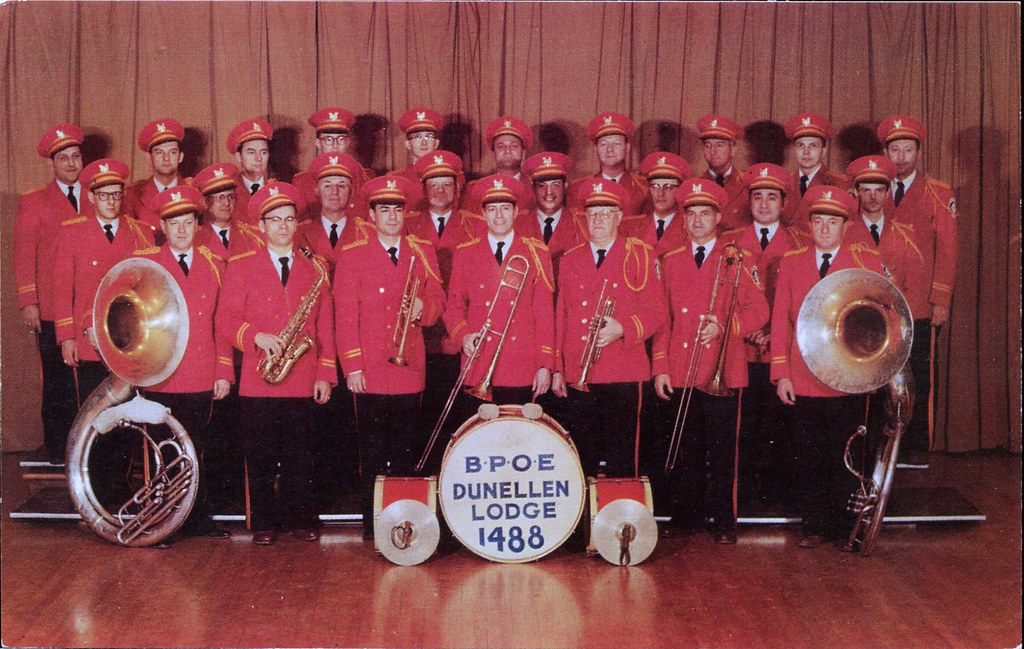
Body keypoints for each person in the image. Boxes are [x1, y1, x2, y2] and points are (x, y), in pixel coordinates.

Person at [216, 182, 336, 546]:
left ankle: (301, 518)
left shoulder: (315, 267)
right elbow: (225, 319)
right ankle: (264, 522)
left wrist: (326, 374)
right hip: (258, 377)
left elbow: (324, 324)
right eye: (275, 220)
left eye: (289, 219)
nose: (283, 226)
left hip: (302, 375)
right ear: (261, 226)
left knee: (302, 455)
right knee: (262, 455)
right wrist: (255, 336)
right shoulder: (241, 266)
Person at [652, 179, 769, 545]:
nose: (698, 220)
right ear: (683, 219)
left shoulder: (737, 257)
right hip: (682, 367)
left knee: (723, 451)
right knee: (688, 448)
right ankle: (686, 516)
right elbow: (662, 319)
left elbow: (760, 311)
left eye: (705, 213)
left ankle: (723, 520)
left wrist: (726, 327)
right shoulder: (669, 261)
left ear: (718, 217)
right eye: (691, 214)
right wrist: (660, 367)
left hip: (724, 369)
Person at [771, 184, 887, 549]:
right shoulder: (790, 262)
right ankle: (813, 526)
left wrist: (871, 368)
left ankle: (845, 526)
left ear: (845, 225)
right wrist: (780, 373)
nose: (823, 228)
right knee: (808, 453)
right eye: (818, 220)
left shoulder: (865, 261)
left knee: (847, 453)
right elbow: (779, 321)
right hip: (803, 376)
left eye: (831, 222)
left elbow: (881, 317)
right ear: (809, 225)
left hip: (848, 376)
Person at [333, 175, 446, 539]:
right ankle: (372, 522)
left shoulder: (422, 250)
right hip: (369, 368)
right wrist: (351, 365)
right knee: (370, 450)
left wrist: (423, 308)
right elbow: (345, 315)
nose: (392, 216)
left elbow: (438, 300)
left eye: (397, 209)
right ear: (372, 215)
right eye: (385, 210)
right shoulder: (352, 255)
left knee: (404, 449)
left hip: (408, 366)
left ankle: (402, 520)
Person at [52, 158, 155, 504]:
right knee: (93, 416)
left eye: (116, 195)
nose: (111, 201)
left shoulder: (141, 232)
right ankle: (93, 489)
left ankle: (119, 485)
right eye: (104, 195)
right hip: (88, 341)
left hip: (129, 342)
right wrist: (67, 336)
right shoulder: (71, 231)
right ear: (91, 197)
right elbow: (61, 287)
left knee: (126, 417)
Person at [134, 186, 233, 539]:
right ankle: (160, 521)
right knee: (162, 450)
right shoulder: (146, 264)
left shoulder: (214, 265)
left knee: (197, 448)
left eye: (187, 222)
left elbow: (222, 324)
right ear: (163, 225)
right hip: (160, 375)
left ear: (197, 224)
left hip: (201, 373)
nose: (181, 230)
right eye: (174, 223)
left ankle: (196, 517)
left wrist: (224, 370)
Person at [551, 179, 667, 478]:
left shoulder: (641, 253)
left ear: (619, 217)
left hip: (624, 368)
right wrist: (558, 369)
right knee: (581, 452)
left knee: (623, 453)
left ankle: (622, 518)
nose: (598, 220)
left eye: (606, 213)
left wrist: (623, 327)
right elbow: (561, 315)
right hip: (579, 369)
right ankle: (586, 521)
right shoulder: (570, 258)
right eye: (592, 214)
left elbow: (658, 312)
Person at [722, 163, 808, 505]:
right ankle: (742, 497)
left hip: (782, 348)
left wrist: (774, 332)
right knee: (745, 426)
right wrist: (749, 329)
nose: (764, 204)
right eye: (757, 197)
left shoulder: (801, 242)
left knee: (783, 426)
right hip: (740, 350)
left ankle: (780, 495)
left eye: (772, 197)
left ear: (783, 203)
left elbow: (804, 297)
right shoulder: (728, 243)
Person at [878, 115, 958, 469]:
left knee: (918, 377)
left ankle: (914, 451)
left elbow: (949, 248)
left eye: (907, 150)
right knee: (876, 375)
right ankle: (880, 448)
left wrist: (940, 299)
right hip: (879, 300)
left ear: (919, 152)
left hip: (920, 302)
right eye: (894, 149)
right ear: (885, 151)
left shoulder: (939, 193)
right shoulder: (871, 187)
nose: (900, 157)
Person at [445, 174, 555, 406]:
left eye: (505, 208)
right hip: (478, 361)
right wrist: (463, 336)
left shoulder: (536, 252)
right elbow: (454, 307)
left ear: (516, 212)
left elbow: (544, 314)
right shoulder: (465, 253)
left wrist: (545, 364)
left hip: (521, 365)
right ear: (483, 214)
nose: (499, 216)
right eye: (492, 209)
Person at [13, 123, 84, 464]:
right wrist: (29, 301)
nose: (71, 164)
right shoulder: (35, 201)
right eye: (63, 159)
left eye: (75, 156)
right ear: (51, 164)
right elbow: (24, 254)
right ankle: (58, 450)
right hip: (52, 305)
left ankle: (91, 449)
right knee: (57, 379)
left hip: (89, 305)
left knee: (90, 377)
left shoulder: (100, 195)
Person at [294, 152, 376, 279]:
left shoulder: (369, 233)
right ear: (316, 190)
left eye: (342, 185)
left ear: (351, 192)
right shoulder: (298, 232)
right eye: (327, 185)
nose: (334, 192)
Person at [292, 107, 376, 220]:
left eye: (340, 139)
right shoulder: (302, 182)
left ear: (347, 142)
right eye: (328, 139)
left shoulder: (366, 179)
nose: (335, 145)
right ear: (318, 143)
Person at [516, 152, 586, 278]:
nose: (549, 192)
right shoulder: (517, 224)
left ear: (565, 187)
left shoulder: (583, 224)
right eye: (542, 185)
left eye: (556, 185)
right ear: (533, 188)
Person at [567, 112, 648, 216]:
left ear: (627, 148)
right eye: (604, 144)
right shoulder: (577, 189)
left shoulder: (644, 188)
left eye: (617, 143)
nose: (610, 149)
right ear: (596, 149)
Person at [620, 152, 692, 258]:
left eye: (668, 187)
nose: (660, 193)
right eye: (655, 186)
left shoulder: (690, 228)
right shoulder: (630, 228)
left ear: (679, 190)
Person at [782, 113, 849, 223]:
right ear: (794, 150)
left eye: (813, 146)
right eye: (800, 145)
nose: (806, 152)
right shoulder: (783, 183)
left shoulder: (841, 184)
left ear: (823, 151)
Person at [461, 116, 534, 214]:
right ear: (493, 154)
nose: (507, 151)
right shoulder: (474, 190)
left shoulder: (537, 189)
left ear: (523, 153)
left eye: (514, 146)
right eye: (501, 146)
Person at [124, 117, 186, 231]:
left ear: (180, 157)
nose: (166, 158)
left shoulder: (194, 192)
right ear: (149, 157)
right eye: (159, 152)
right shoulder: (133, 195)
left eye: (172, 152)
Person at [193, 162, 265, 258]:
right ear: (206, 202)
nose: (227, 203)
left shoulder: (252, 236)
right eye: (220, 197)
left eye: (230, 197)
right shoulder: (195, 239)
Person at [696, 113, 747, 229]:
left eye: (719, 145)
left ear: (733, 149)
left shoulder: (748, 185)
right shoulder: (694, 185)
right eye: (708, 145)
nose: (713, 151)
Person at [226, 118, 274, 224]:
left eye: (263, 152)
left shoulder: (277, 189)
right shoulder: (228, 192)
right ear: (239, 156)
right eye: (251, 152)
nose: (258, 158)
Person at [391, 107, 444, 183]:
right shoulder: (396, 178)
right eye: (417, 137)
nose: (424, 143)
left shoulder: (452, 176)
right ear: (408, 144)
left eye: (428, 137)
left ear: (436, 143)